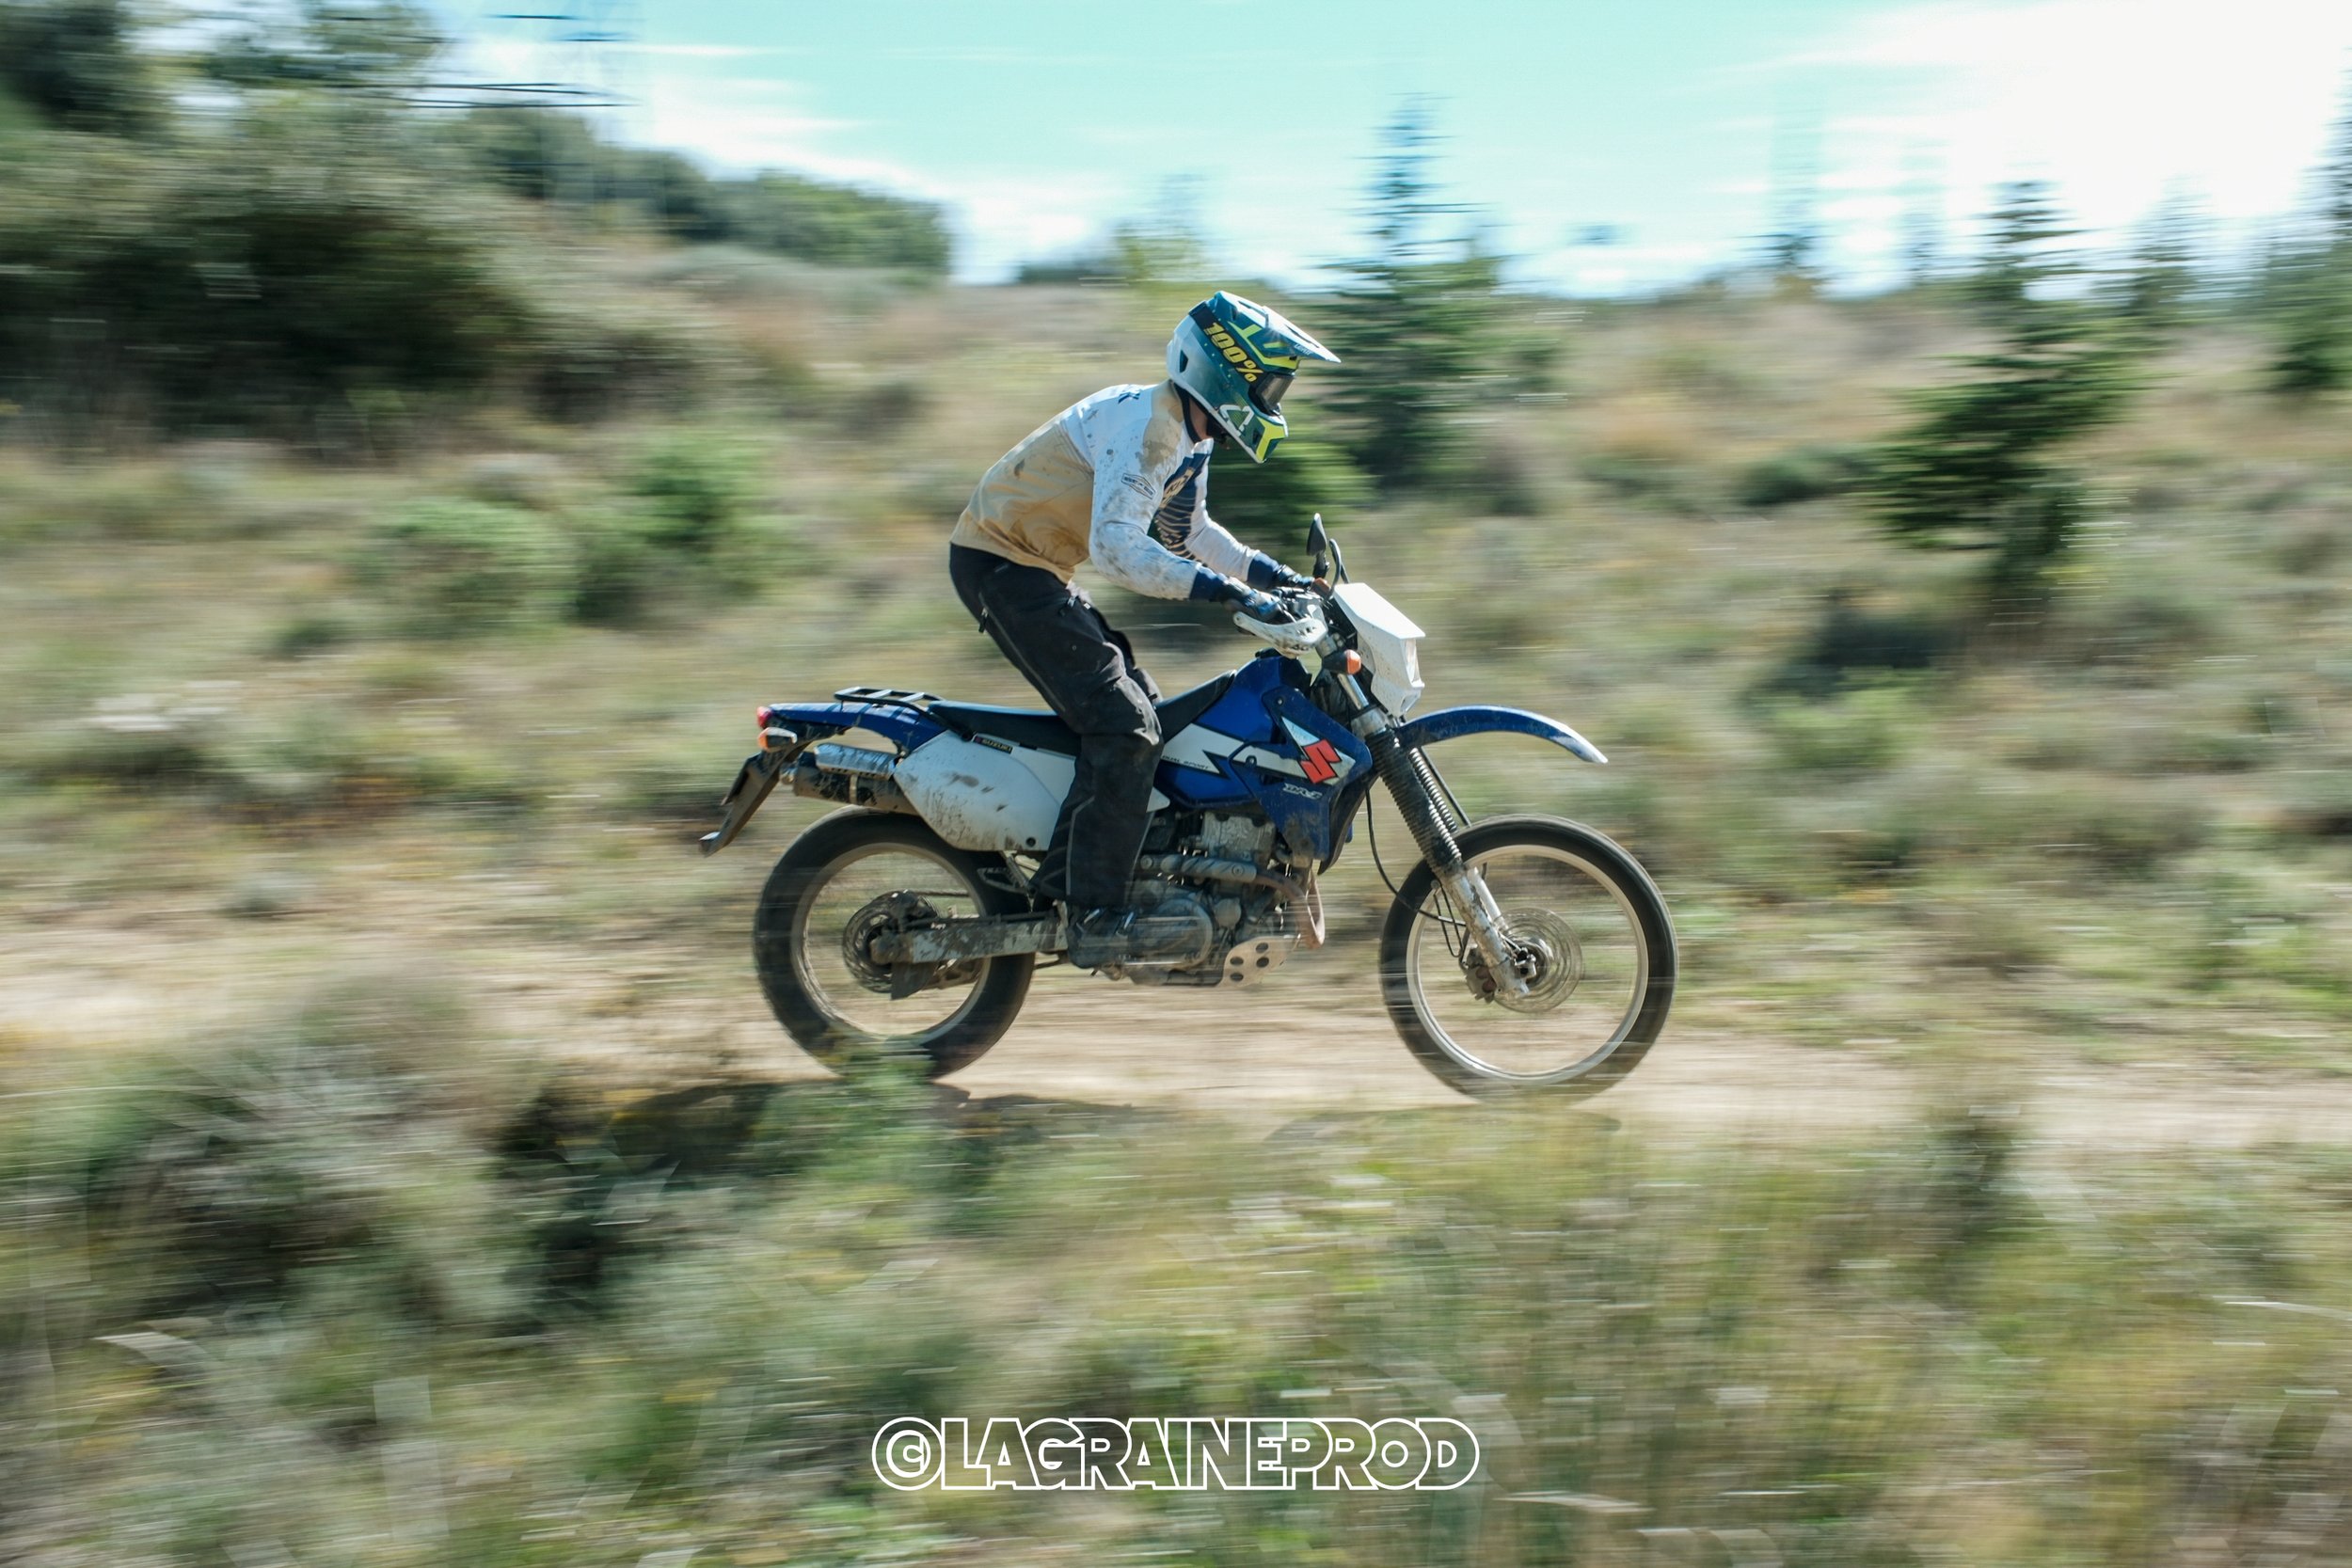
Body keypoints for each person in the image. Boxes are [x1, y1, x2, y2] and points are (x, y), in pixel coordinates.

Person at [946, 290, 1340, 967]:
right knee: (1126, 726)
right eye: (1269, 383)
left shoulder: (1190, 433)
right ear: (1227, 369)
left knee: (1146, 714)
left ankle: (1077, 878)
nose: (1276, 399)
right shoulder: (1152, 427)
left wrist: (1280, 580)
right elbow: (1118, 548)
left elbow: (1189, 533)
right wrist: (1233, 596)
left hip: (1038, 568)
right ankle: (1091, 908)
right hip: (1002, 565)